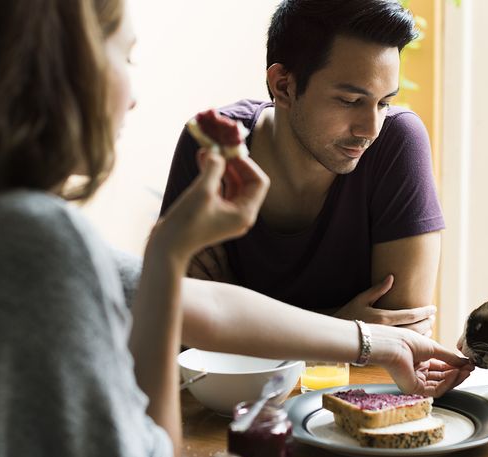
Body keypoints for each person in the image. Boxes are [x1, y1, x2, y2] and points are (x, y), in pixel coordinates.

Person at [0, 0, 472, 457]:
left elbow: (204, 304)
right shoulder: (36, 245)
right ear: (54, 73)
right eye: (126, 56)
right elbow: (153, 452)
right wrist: (170, 262)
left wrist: (382, 342)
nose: (133, 95)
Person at [161, 0, 445, 337]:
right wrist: (344, 327)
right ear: (284, 86)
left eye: (383, 103)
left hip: (354, 391)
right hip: (232, 391)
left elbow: (400, 331)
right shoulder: (213, 145)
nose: (370, 129)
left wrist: (238, 313)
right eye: (350, 101)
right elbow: (183, 321)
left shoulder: (397, 142)